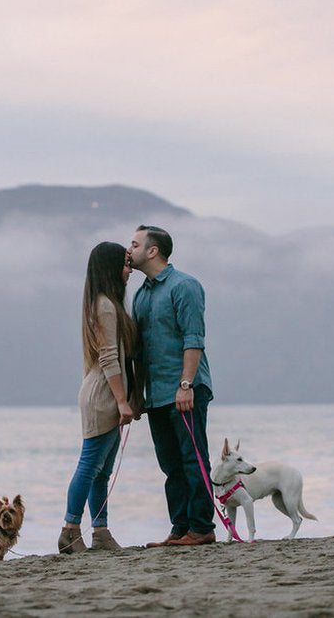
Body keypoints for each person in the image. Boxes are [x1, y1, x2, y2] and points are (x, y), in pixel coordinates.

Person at [127, 225, 216, 547]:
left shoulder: (185, 286)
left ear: (153, 251)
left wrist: (186, 384)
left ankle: (201, 528)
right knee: (170, 465)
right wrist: (137, 395)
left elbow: (194, 339)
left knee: (193, 459)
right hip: (156, 395)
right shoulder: (141, 294)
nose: (129, 250)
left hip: (186, 388)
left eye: (135, 244)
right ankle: (180, 529)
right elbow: (139, 351)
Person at [58, 241, 142, 553]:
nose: (128, 270)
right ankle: (69, 530)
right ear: (109, 268)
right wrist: (122, 400)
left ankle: (101, 532)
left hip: (106, 393)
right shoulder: (104, 306)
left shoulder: (106, 303)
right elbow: (109, 359)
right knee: (90, 465)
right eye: (124, 264)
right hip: (102, 396)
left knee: (102, 471)